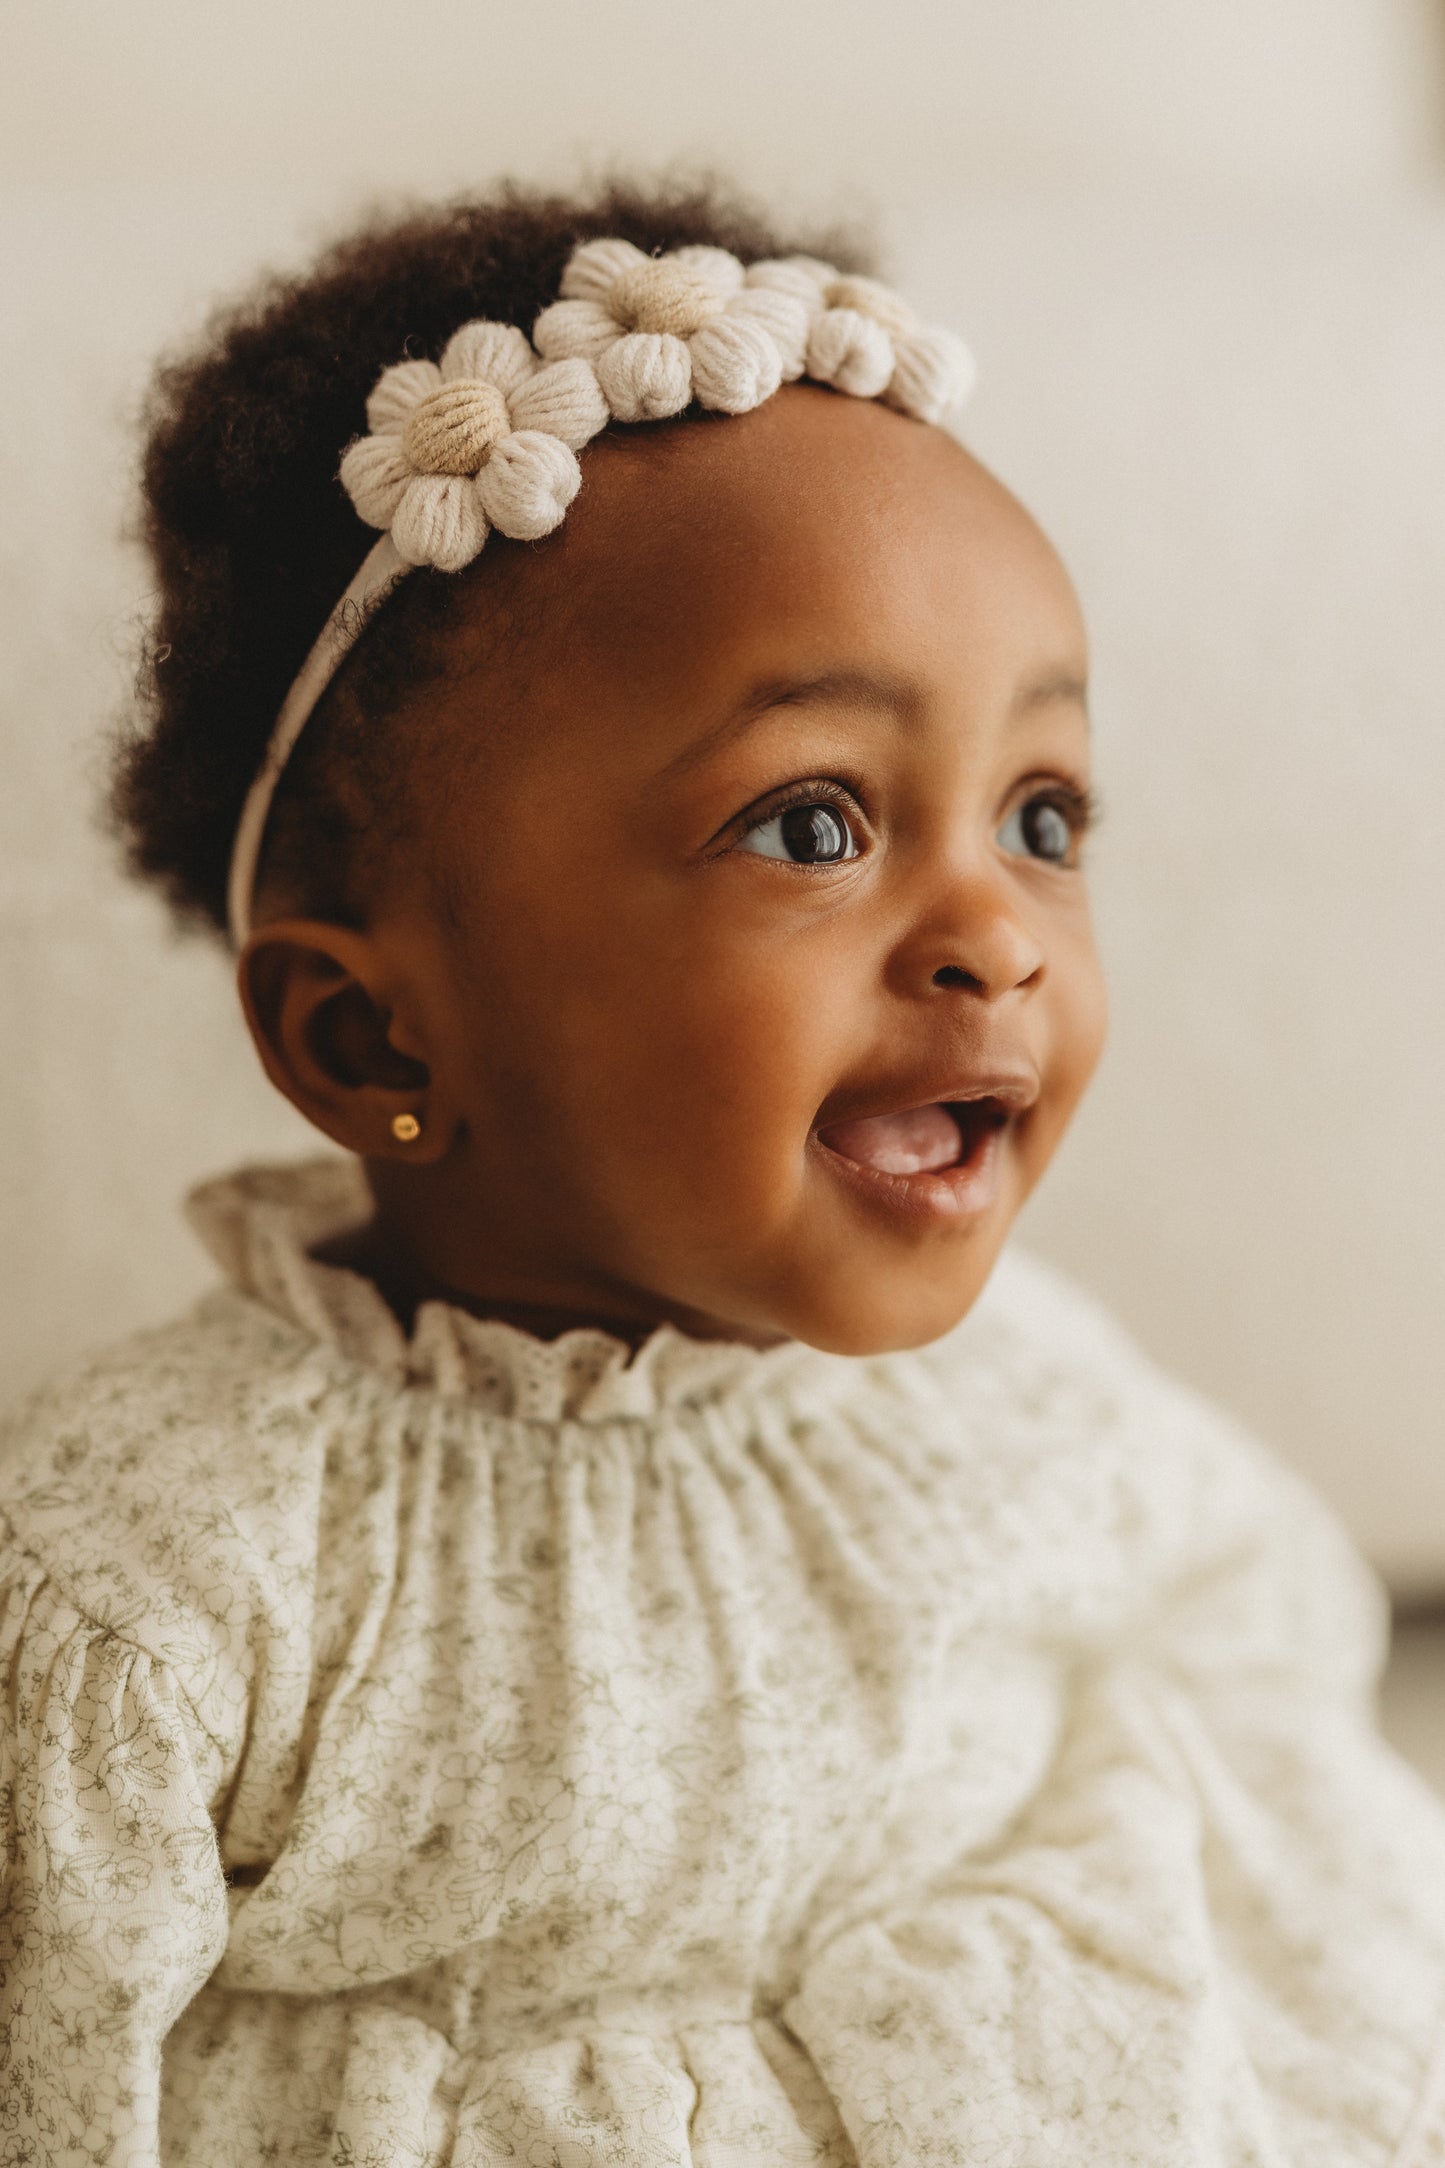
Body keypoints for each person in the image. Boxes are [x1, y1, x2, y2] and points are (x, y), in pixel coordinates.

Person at [1, 179, 1442, 2168]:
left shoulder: (1016, 1389)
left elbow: (1257, 1653)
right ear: (372, 1037)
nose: (996, 933)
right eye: (812, 824)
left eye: (1043, 810)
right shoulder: (160, 1580)